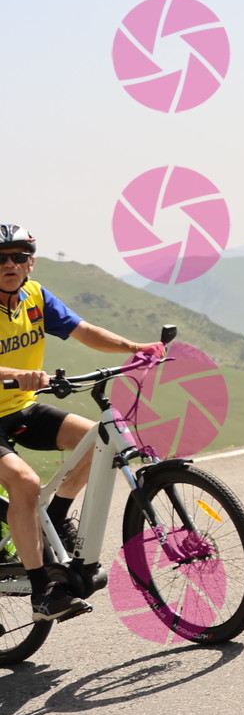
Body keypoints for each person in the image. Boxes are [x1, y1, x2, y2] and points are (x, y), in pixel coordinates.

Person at [0, 225, 165, 622]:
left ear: (30, 263)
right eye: (0, 259)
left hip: (21, 408)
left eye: (18, 257)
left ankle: (56, 519)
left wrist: (135, 348)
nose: (9, 264)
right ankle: (43, 591)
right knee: (24, 482)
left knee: (98, 439)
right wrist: (18, 374)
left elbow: (84, 331)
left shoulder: (36, 297)